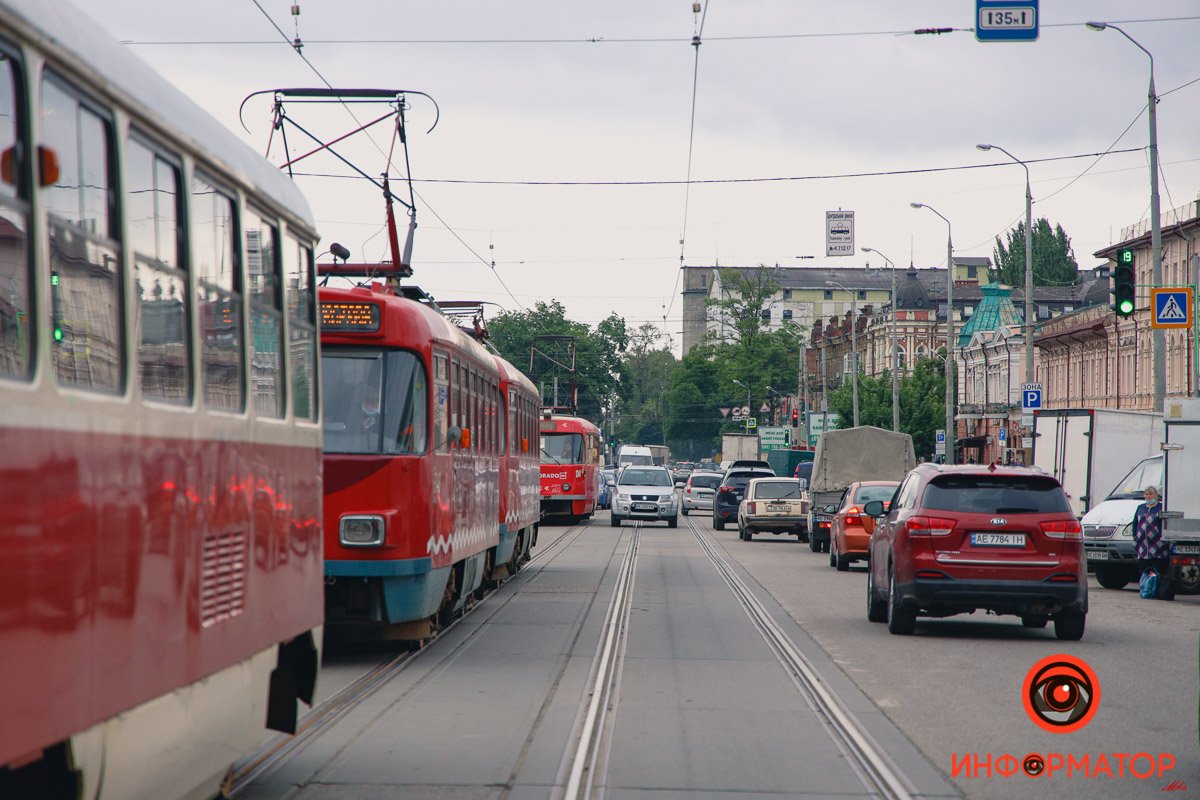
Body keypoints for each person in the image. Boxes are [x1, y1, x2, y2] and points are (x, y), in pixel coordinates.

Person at [1132, 485, 1174, 600]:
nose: (1148, 496)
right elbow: (1135, 523)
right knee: (1145, 569)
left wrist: (1164, 540)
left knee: (1159, 569)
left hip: (1158, 545)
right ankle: (1146, 590)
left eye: (1150, 494)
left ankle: (1158, 591)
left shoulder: (1161, 508)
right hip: (1143, 546)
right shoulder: (1140, 508)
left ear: (1156, 495)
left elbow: (1165, 524)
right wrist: (1135, 538)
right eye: (1146, 494)